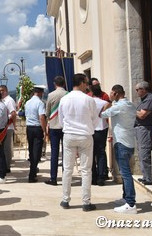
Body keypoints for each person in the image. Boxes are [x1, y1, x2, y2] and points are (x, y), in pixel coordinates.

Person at [59, 73, 99, 212]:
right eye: (86, 82)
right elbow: (95, 119)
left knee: (67, 168)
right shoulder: (89, 100)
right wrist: (88, 128)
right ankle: (86, 202)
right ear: (82, 83)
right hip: (85, 135)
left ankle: (65, 199)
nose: (87, 85)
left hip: (69, 134)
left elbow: (60, 119)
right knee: (86, 170)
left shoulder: (64, 99)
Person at [100, 84, 138, 214]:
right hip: (129, 142)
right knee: (126, 172)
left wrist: (109, 101)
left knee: (125, 173)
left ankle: (131, 203)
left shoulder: (117, 106)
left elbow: (102, 114)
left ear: (116, 93)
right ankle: (126, 198)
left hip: (121, 142)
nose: (110, 95)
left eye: (111, 93)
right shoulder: (130, 105)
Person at [134, 81, 152, 186]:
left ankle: (149, 177)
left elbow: (142, 115)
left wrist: (131, 110)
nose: (136, 92)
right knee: (141, 152)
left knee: (145, 153)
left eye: (137, 90)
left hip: (146, 129)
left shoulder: (151, 99)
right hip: (141, 129)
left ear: (143, 90)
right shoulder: (145, 99)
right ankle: (146, 176)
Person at [44, 76, 67, 186]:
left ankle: (53, 178)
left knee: (54, 153)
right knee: (66, 153)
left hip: (54, 126)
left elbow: (47, 112)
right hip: (65, 126)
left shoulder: (50, 95)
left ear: (55, 84)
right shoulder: (68, 95)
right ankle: (66, 177)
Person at [24, 85, 47, 183]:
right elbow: (42, 117)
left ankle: (33, 169)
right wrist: (45, 130)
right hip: (37, 128)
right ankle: (32, 173)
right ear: (40, 93)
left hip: (29, 127)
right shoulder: (40, 103)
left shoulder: (27, 102)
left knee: (31, 149)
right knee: (36, 152)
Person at [90, 84, 110, 186]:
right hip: (102, 128)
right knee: (101, 153)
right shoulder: (105, 103)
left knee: (91, 154)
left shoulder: (88, 102)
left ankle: (93, 177)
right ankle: (101, 177)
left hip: (91, 129)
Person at [0, 85, 17, 173]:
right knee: (3, 148)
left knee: (7, 148)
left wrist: (8, 121)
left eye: (1, 91)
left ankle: (7, 166)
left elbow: (13, 113)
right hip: (3, 127)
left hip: (7, 127)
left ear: (5, 91)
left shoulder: (9, 100)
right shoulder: (3, 101)